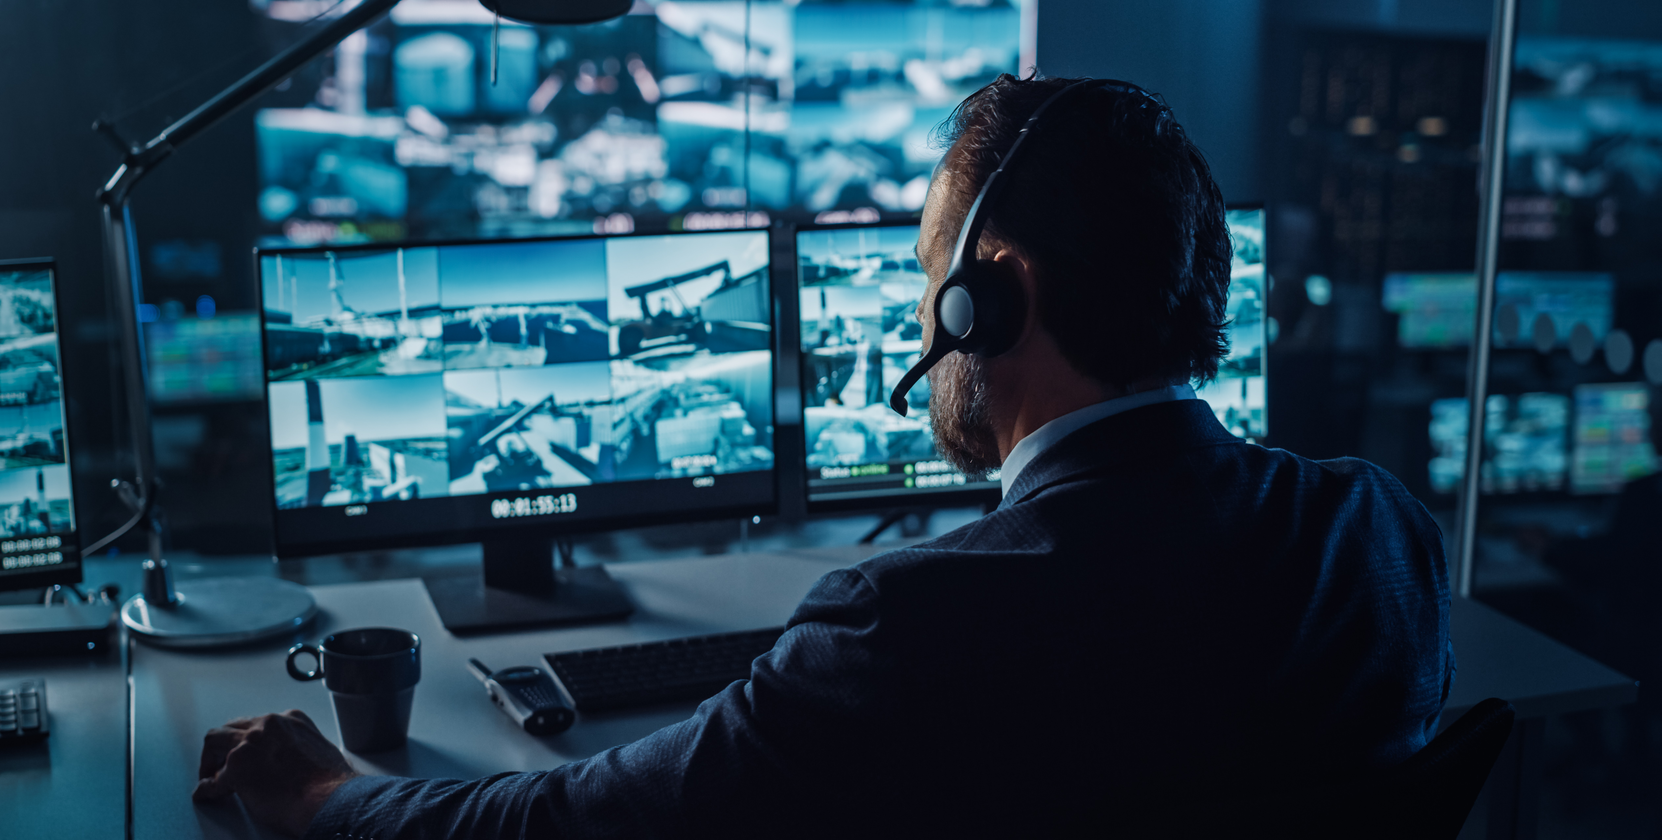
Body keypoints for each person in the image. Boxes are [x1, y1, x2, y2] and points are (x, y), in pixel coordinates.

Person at [195, 75, 1455, 838]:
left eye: (927, 280)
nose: (925, 316)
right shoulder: (1379, 536)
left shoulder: (908, 626)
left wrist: (331, 802)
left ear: (989, 302)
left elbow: (580, 825)